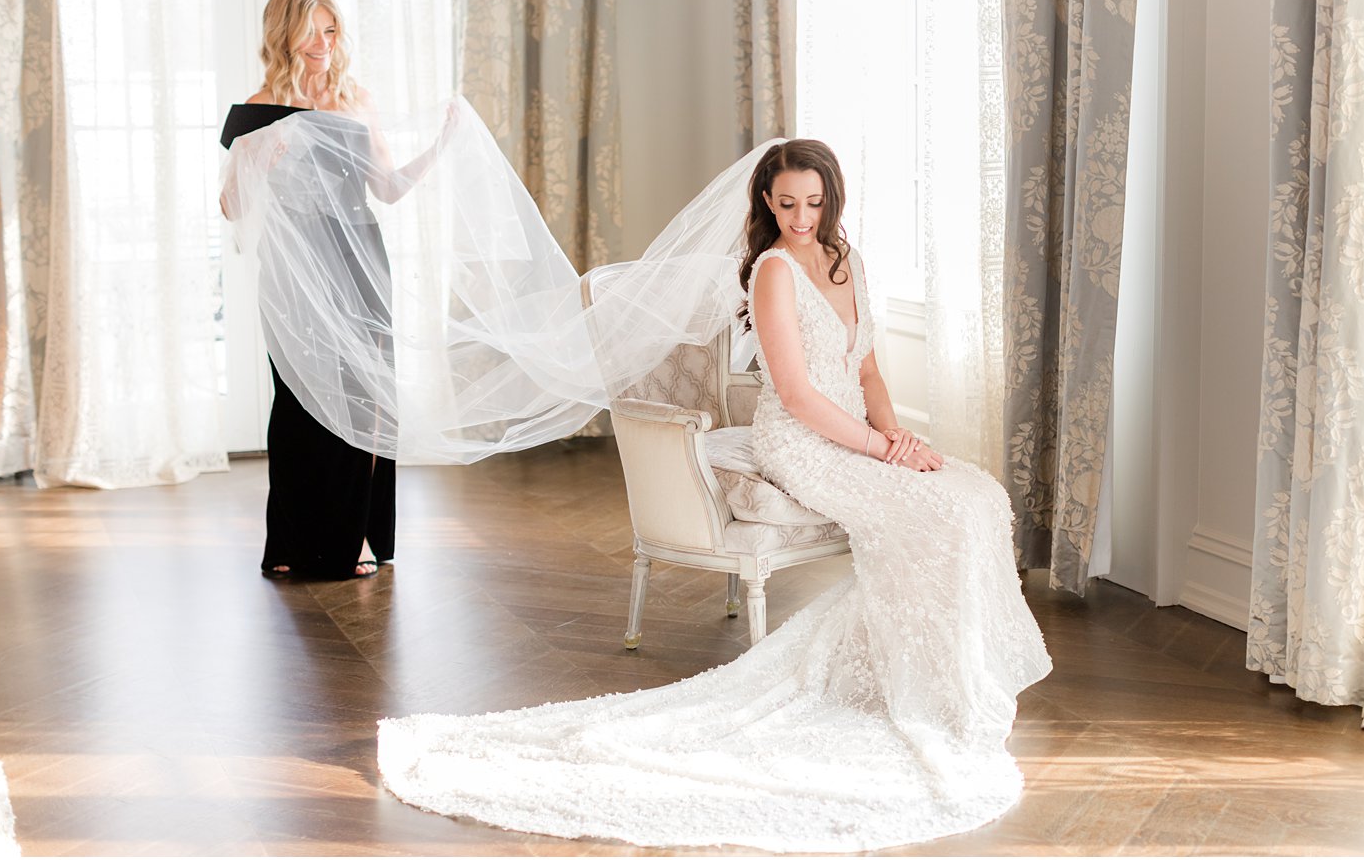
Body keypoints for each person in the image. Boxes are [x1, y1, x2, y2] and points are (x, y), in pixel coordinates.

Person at [377, 139, 1053, 852]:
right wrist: (885, 451)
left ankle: (950, 667)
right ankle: (916, 679)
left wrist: (904, 441)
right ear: (767, 200)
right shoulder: (771, 272)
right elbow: (795, 394)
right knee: (937, 509)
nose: (801, 216)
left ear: (833, 200)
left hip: (857, 430)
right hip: (800, 442)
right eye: (787, 202)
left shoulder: (846, 261)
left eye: (814, 203)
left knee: (973, 493)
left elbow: (871, 374)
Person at [218, 0, 444, 580]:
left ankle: (359, 536)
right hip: (295, 267)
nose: (322, 42)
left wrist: (441, 146)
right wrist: (260, 160)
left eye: (331, 28)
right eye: (310, 29)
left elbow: (388, 188)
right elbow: (231, 206)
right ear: (282, 33)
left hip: (359, 257)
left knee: (364, 398)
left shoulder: (355, 99)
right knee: (297, 398)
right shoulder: (260, 105)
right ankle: (291, 541)